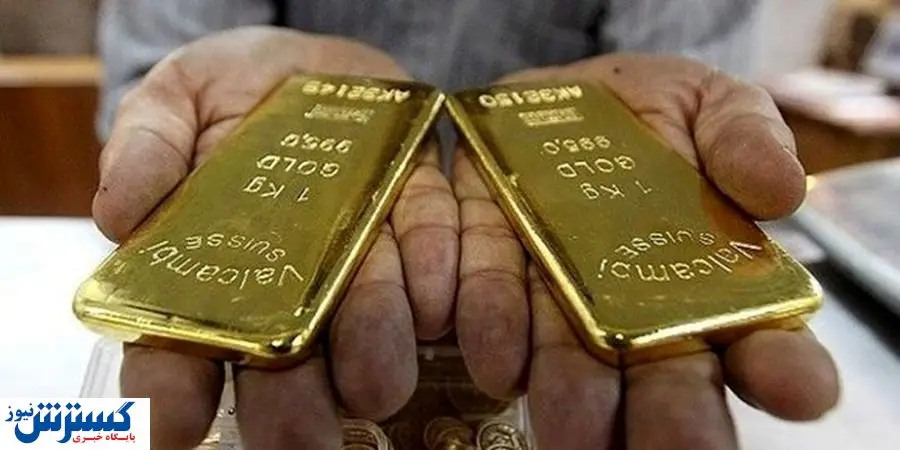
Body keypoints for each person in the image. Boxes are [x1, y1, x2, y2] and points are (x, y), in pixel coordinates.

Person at [95, 1, 840, 449]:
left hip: (545, 321)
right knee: (95, 424)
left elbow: (679, 55)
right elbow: (159, 71)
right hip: (249, 296)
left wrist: (653, 116)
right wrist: (203, 90)